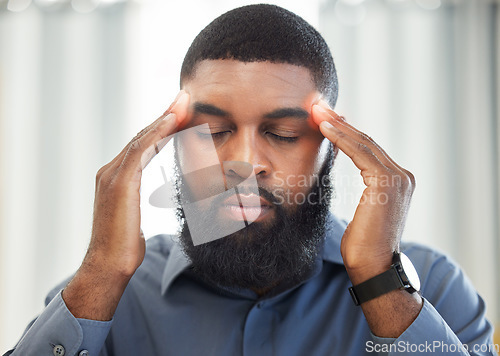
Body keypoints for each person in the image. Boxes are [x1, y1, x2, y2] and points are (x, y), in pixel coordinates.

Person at [4, 4, 497, 356]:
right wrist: (101, 274)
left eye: (282, 134)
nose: (243, 162)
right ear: (173, 140)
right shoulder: (102, 300)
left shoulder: (430, 287)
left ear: (331, 147)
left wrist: (381, 284)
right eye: (214, 131)